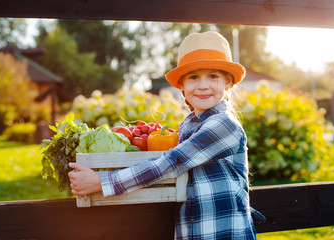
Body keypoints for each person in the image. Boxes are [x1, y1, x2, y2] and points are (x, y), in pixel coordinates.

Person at [68, 31, 263, 239]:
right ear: (182, 86)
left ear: (228, 82)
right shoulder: (189, 124)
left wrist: (101, 181)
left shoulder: (224, 124)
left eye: (213, 76)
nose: (203, 85)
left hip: (223, 233)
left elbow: (171, 162)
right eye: (194, 77)